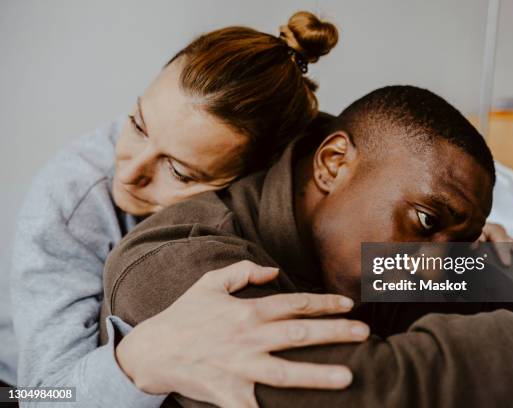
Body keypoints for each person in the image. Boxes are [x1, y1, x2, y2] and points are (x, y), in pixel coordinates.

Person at [102, 85, 513, 407]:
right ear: (332, 163)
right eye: (426, 220)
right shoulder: (177, 259)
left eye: (457, 240)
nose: (434, 268)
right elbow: (376, 388)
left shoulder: (387, 250)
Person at [8, 11, 375, 408]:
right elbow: (40, 396)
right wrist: (145, 360)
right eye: (137, 123)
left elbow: (426, 269)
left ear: (252, 174)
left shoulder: (314, 167)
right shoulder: (69, 205)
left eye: (179, 171)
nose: (129, 171)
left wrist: (445, 278)